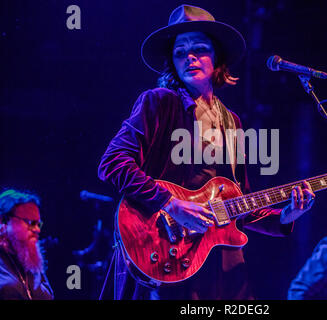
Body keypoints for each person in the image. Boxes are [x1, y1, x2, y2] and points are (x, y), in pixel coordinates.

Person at [98, 4, 315, 300]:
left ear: (217, 58)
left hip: (221, 263)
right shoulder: (159, 103)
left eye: (199, 49)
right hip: (164, 251)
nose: (189, 56)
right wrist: (170, 204)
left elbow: (240, 203)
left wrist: (287, 214)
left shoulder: (232, 122)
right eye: (179, 52)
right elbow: (113, 163)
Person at [0, 189, 53, 300]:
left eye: (38, 224)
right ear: (3, 221)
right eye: (31, 222)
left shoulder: (32, 261)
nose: (37, 229)